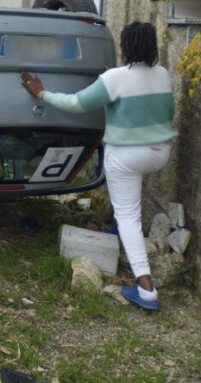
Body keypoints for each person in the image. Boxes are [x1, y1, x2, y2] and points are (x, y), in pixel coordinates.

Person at [19, 21, 176, 311]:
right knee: (129, 198)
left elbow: (77, 103)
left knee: (129, 214)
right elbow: (162, 108)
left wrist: (41, 93)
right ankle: (119, 231)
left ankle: (146, 289)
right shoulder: (163, 75)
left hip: (127, 155)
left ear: (125, 48)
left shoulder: (115, 77)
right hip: (159, 152)